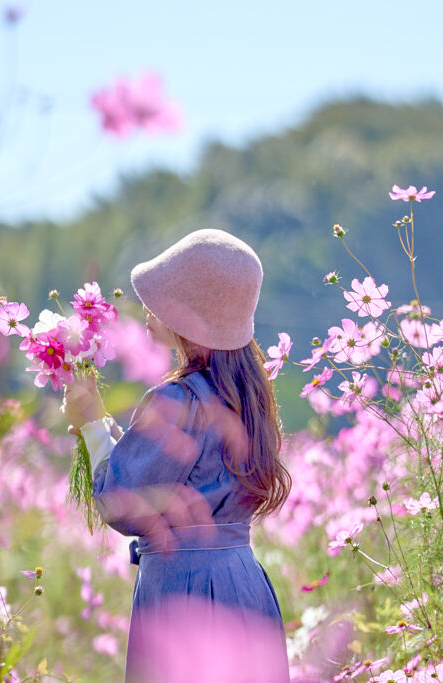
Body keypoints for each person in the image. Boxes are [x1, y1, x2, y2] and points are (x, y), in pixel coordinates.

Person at [61, 228, 293, 683]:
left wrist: (89, 422)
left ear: (193, 317)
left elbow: (119, 499)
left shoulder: (177, 399)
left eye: (165, 296)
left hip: (185, 592)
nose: (148, 304)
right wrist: (105, 426)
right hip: (244, 584)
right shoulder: (246, 398)